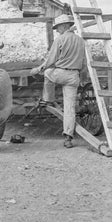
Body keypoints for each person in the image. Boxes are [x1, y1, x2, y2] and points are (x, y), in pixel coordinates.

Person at [30, 14, 86, 148]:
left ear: (64, 26)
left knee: (48, 73)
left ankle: (48, 98)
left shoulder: (60, 39)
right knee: (69, 108)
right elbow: (83, 62)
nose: (57, 30)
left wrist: (38, 69)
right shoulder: (80, 41)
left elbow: (51, 60)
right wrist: (82, 77)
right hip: (74, 75)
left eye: (58, 27)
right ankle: (68, 137)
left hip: (61, 73)